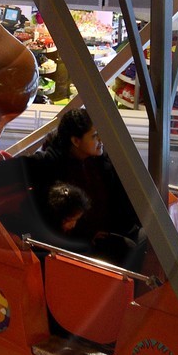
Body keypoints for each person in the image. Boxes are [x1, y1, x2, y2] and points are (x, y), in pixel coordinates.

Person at [31, 109, 139, 263]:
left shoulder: (104, 162)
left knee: (146, 239)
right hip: (76, 245)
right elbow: (54, 217)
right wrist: (87, 235)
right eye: (95, 135)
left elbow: (123, 201)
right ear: (76, 141)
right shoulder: (50, 164)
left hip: (110, 233)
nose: (101, 139)